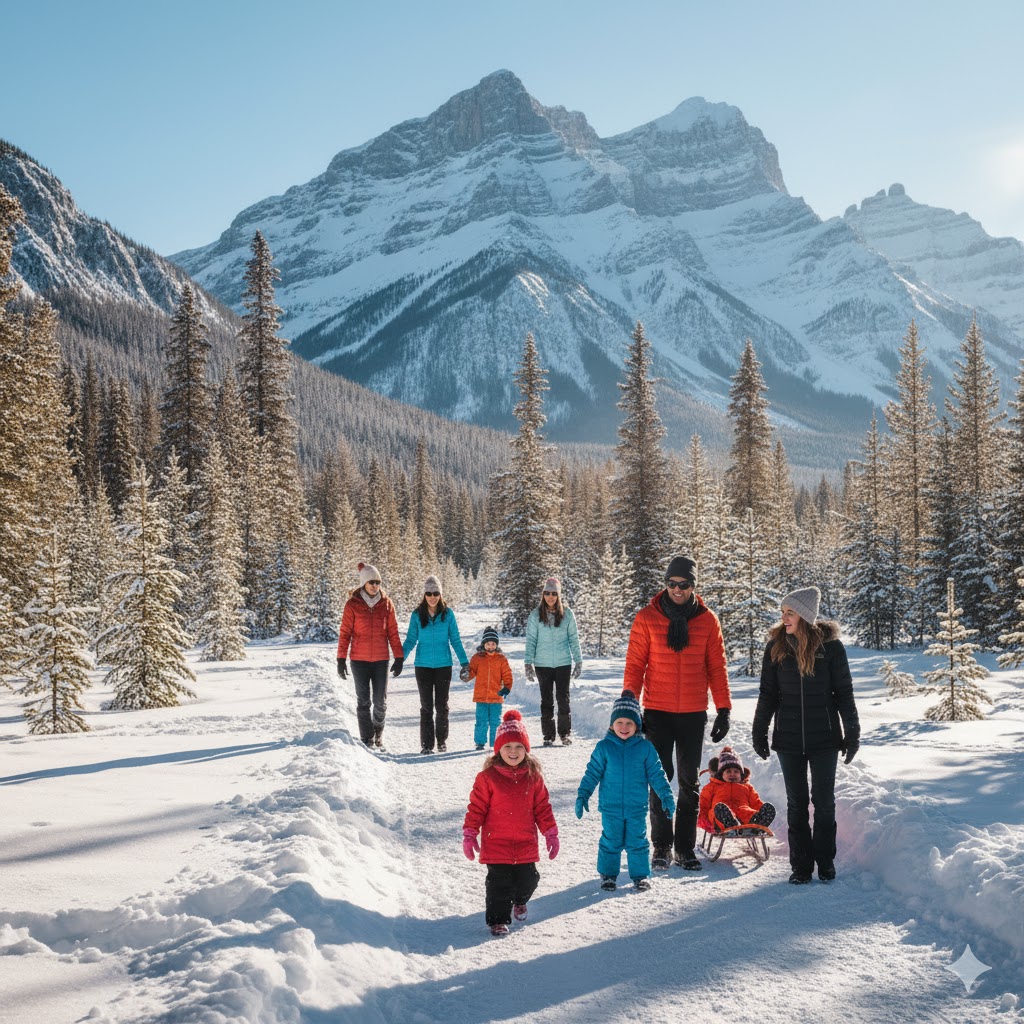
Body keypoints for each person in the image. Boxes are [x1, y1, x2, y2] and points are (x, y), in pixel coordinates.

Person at [622, 554, 731, 871]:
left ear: (693, 586)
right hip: (657, 711)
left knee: (688, 782)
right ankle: (661, 845)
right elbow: (634, 667)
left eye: (684, 585)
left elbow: (717, 668)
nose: (677, 589)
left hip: (693, 714)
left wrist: (723, 709)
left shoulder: (708, 620)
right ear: (665, 584)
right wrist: (629, 707)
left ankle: (684, 848)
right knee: (660, 779)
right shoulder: (647, 618)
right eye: (672, 584)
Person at [751, 586, 860, 884]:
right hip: (787, 739)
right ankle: (801, 866)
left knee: (824, 801)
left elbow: (844, 694)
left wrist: (852, 733)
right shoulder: (776, 646)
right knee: (796, 803)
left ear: (806, 616)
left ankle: (825, 862)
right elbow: (768, 694)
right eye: (783, 612)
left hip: (824, 738)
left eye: (790, 612)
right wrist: (759, 730)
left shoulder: (831, 648)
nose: (784, 617)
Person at [462, 709, 559, 936]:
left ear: (526, 750)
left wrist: (550, 832)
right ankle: (498, 920)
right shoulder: (487, 777)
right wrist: (470, 832)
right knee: (498, 885)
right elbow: (477, 807)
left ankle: (520, 900)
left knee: (529, 880)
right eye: (508, 747)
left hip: (525, 842)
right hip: (496, 843)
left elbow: (542, 807)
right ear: (498, 749)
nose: (513, 752)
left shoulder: (533, 777)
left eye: (518, 747)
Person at [575, 691, 675, 892]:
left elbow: (657, 773)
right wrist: (583, 794)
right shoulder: (604, 747)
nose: (624, 727)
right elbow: (592, 772)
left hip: (636, 807)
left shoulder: (645, 748)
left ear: (637, 725)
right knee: (611, 841)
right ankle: (608, 875)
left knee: (637, 841)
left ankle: (640, 876)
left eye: (629, 723)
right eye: (619, 722)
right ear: (612, 724)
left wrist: (666, 794)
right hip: (610, 807)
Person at [336, 562, 403, 750]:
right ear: (364, 583)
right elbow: (345, 633)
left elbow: (393, 632)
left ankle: (378, 733)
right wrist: (341, 659)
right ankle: (367, 738)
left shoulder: (386, 604)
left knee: (380, 702)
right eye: (371, 581)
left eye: (378, 582)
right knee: (363, 701)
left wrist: (399, 657)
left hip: (381, 660)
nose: (375, 585)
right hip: (359, 660)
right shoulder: (353, 605)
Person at [402, 575, 470, 755]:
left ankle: (441, 741)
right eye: (429, 593)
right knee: (426, 707)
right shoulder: (417, 615)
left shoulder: (448, 614)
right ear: (424, 594)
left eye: (436, 593)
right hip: (422, 666)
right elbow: (410, 640)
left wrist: (464, 663)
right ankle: (426, 744)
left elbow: (455, 640)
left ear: (440, 594)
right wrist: (400, 658)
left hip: (443, 666)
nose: (432, 597)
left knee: (441, 705)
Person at [524, 576, 583, 747]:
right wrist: (528, 663)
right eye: (547, 593)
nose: (550, 597)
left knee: (563, 699)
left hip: (563, 663)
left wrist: (578, 660)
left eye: (554, 594)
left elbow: (573, 638)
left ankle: (564, 733)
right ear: (543, 594)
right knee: (547, 700)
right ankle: (548, 735)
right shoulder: (535, 615)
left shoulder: (567, 614)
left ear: (559, 595)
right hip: (542, 664)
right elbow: (531, 640)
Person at [698, 746, 776, 832]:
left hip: (743, 814)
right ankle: (731, 826)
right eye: (728, 771)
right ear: (721, 774)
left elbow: (755, 803)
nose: (732, 774)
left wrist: (762, 812)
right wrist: (704, 822)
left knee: (764, 809)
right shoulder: (712, 786)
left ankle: (755, 825)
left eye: (736, 771)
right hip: (720, 817)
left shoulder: (747, 787)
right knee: (719, 809)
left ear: (741, 774)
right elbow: (703, 805)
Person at [468, 626, 513, 751]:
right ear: (484, 644)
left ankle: (496, 743)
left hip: (496, 696)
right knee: (481, 721)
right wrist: (466, 674)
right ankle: (480, 742)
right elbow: (471, 672)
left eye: (493, 644)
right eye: (488, 644)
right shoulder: (477, 658)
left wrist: (507, 687)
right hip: (481, 696)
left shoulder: (501, 659)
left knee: (495, 722)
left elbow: (507, 675)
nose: (490, 646)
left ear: (496, 645)